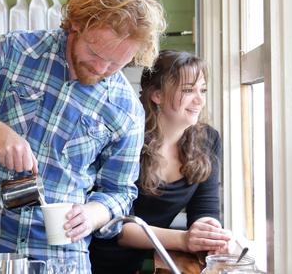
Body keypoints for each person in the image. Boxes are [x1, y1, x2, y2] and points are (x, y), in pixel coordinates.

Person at [0, 0, 166, 272]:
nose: (101, 68)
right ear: (77, 24)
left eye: (117, 64)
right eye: (95, 53)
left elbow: (120, 191)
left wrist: (95, 213)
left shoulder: (125, 110)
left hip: (62, 261)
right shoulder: (11, 53)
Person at [89, 50, 233, 273]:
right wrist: (185, 240)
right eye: (188, 90)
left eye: (202, 90)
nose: (199, 99)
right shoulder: (128, 139)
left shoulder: (208, 140)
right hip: (100, 262)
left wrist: (211, 235)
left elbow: (205, 208)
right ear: (157, 95)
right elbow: (114, 226)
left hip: (156, 260)